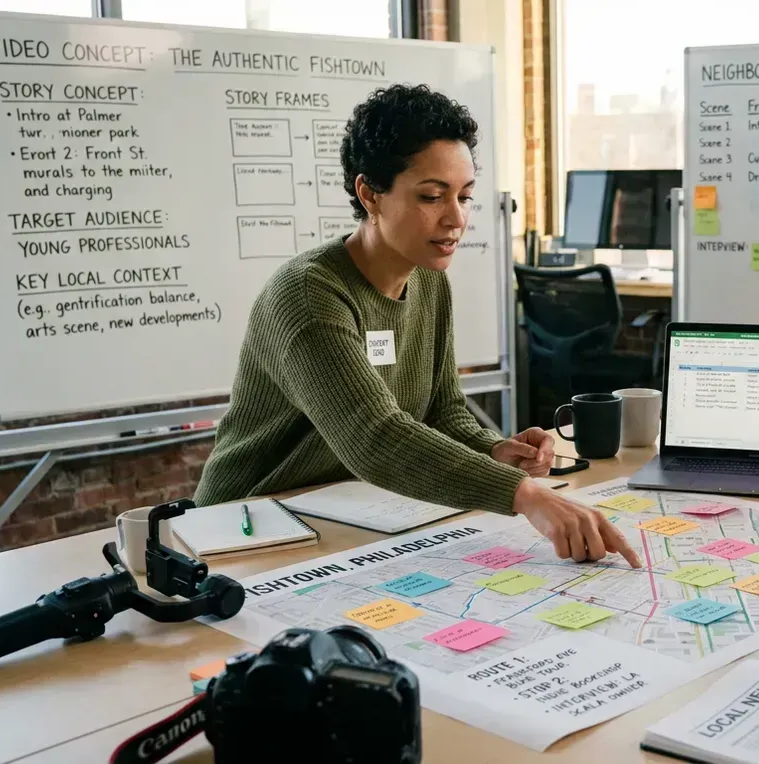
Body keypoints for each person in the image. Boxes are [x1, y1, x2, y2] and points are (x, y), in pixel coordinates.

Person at [196, 85, 640, 568]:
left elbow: (443, 412)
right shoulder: (308, 295)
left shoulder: (428, 281)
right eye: (432, 196)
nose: (456, 218)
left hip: (339, 514)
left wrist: (494, 449)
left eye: (465, 197)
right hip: (245, 527)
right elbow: (374, 437)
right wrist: (525, 494)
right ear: (370, 194)